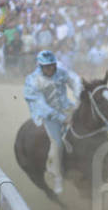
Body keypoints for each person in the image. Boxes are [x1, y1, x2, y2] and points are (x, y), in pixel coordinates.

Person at [23, 50, 83, 195]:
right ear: (40, 66)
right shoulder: (32, 81)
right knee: (57, 143)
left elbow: (74, 80)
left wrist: (78, 97)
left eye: (53, 65)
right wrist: (63, 118)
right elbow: (41, 106)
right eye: (47, 66)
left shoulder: (60, 71)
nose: (51, 69)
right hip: (47, 115)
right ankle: (57, 177)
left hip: (65, 107)